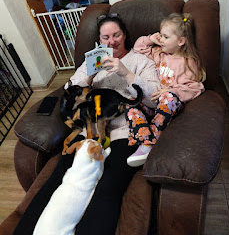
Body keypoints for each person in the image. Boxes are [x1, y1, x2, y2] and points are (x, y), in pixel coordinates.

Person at [13, 13, 160, 235]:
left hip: (124, 132)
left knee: (109, 186)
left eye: (116, 35)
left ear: (125, 35)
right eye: (105, 37)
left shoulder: (141, 61)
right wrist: (89, 76)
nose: (111, 42)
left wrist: (126, 73)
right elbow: (69, 93)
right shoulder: (91, 62)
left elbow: (152, 99)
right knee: (58, 176)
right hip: (88, 131)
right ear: (99, 41)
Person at [125, 13, 206, 167]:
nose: (161, 39)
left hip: (170, 104)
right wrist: (151, 39)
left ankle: (149, 144)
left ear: (181, 41)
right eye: (160, 35)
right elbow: (138, 48)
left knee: (167, 97)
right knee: (131, 103)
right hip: (152, 102)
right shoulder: (158, 53)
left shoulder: (188, 62)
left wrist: (170, 91)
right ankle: (144, 135)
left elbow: (195, 87)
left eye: (165, 37)